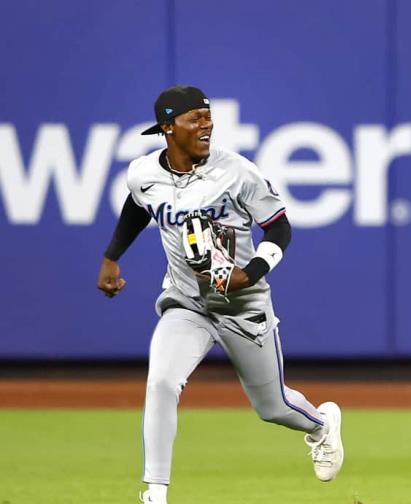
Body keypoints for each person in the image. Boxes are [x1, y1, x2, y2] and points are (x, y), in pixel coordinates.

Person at [97, 85, 344, 504]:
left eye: (208, 117)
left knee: (273, 407)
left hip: (243, 304)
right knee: (161, 381)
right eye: (194, 119)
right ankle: (155, 493)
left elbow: (280, 227)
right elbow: (139, 206)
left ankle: (321, 425)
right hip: (186, 302)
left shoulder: (237, 172)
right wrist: (111, 256)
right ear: (168, 128)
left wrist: (250, 274)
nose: (205, 125)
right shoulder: (143, 173)